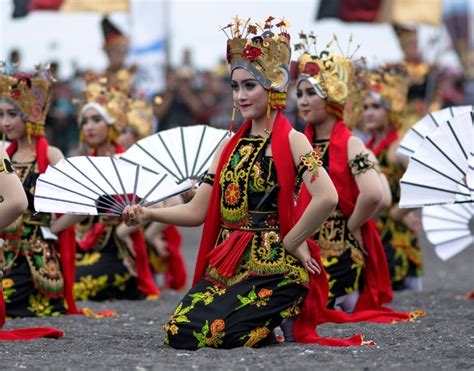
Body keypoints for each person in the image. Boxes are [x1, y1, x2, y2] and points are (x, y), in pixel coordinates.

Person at [123, 16, 380, 349]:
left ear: (271, 87)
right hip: (229, 264)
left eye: (249, 86)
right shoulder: (226, 146)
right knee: (179, 332)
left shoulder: (293, 141)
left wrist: (292, 240)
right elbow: (197, 211)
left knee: (218, 333)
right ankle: (267, 326)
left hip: (275, 267)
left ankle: (279, 316)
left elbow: (327, 197)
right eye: (235, 86)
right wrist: (147, 214)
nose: (240, 96)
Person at [294, 33, 391, 314]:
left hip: (341, 259)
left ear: (332, 97)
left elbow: (375, 195)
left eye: (311, 93)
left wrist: (352, 227)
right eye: (299, 93)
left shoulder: (351, 143)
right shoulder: (303, 143)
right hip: (310, 253)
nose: (302, 100)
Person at [66, 76, 159, 301]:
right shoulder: (84, 163)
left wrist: (124, 230)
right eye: (84, 121)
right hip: (87, 245)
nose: (88, 127)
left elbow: (156, 201)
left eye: (96, 119)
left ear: (110, 124)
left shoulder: (127, 161)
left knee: (77, 287)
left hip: (117, 250)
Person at [0, 66, 78, 318]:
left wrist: (52, 230)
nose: (5, 122)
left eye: (13, 114)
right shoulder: (5, 155)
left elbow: (82, 202)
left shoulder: (49, 155)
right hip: (5, 253)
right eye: (1, 115)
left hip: (35, 261)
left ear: (31, 116)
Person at [361, 65, 424, 291]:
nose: (368, 112)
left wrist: (403, 210)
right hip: (372, 234)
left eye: (376, 107)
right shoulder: (365, 147)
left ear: (391, 111)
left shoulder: (397, 147)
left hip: (397, 240)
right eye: (365, 107)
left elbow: (425, 179)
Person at [119, 97, 188, 291]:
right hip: (136, 219)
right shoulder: (122, 156)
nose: (122, 137)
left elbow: (170, 201)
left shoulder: (148, 160)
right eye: (121, 131)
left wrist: (151, 234)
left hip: (146, 219)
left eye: (127, 132)